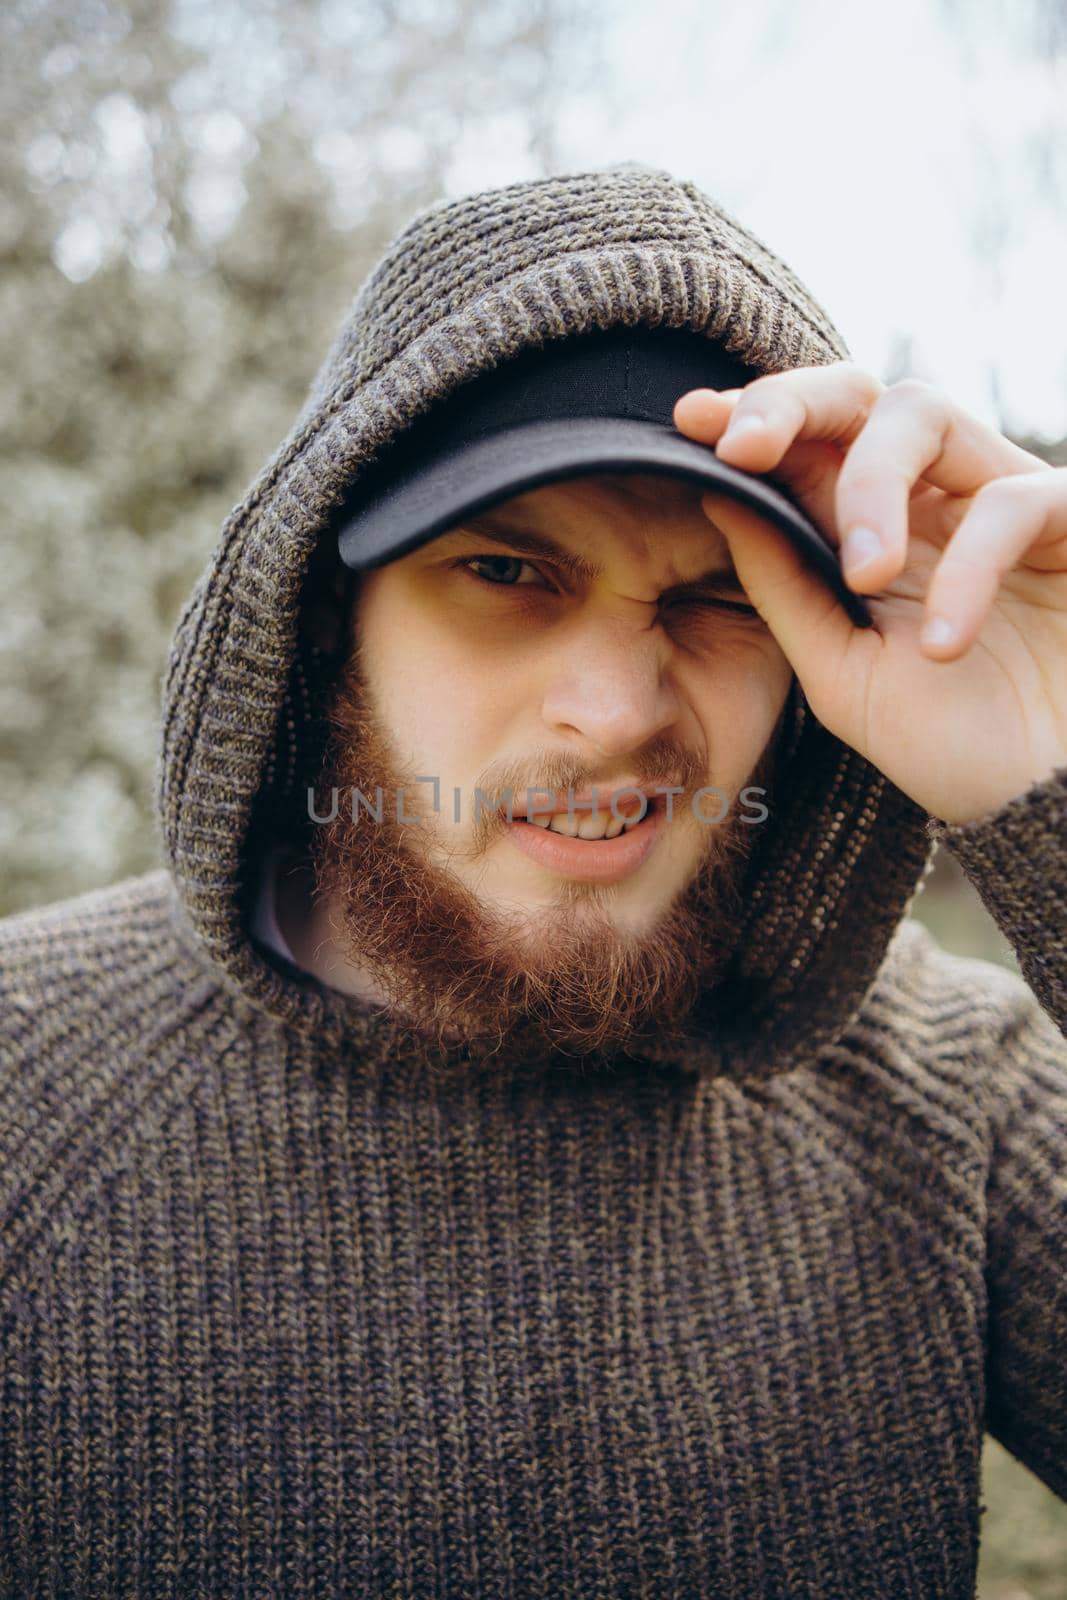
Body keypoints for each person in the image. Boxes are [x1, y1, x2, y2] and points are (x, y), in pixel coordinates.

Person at [0, 161, 1064, 1598]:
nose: (621, 710)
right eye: (508, 573)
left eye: (721, 598)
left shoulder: (953, 1104)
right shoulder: (27, 1088)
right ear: (322, 615)